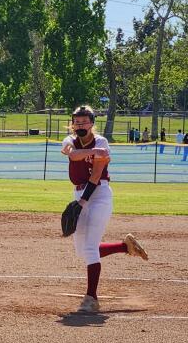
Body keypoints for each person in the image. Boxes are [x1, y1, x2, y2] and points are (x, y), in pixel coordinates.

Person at [59, 105, 148, 315]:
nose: (80, 125)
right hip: (79, 194)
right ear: (73, 124)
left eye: (85, 122)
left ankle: (91, 299)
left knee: (90, 248)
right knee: (83, 250)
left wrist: (83, 202)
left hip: (99, 195)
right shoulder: (69, 141)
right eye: (77, 122)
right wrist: (92, 152)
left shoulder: (102, 142)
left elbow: (95, 176)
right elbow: (73, 156)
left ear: (92, 123)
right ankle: (125, 247)